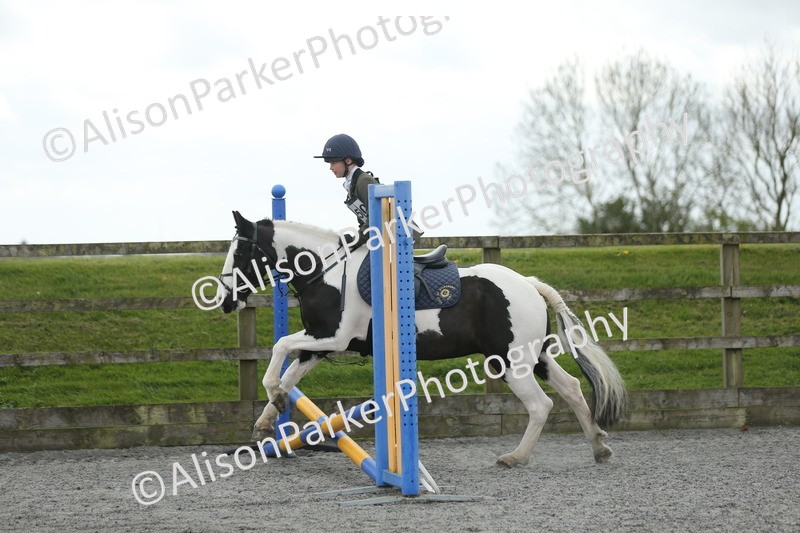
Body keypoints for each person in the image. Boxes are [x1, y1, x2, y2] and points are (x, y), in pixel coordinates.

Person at [313, 133, 422, 246]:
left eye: (333, 162)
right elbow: (365, 219)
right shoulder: (353, 183)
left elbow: (375, 219)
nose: (331, 168)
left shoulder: (363, 181)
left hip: (399, 240)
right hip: (385, 237)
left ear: (348, 161)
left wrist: (356, 239)